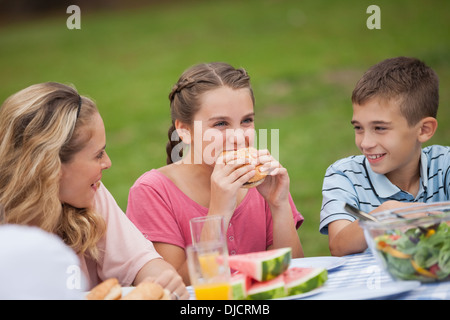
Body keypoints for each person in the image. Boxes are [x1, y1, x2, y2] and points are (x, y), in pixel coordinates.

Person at [0, 82, 188, 299]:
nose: (107, 163)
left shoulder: (91, 194)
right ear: (50, 166)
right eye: (98, 155)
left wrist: (162, 280)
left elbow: (142, 264)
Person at [127, 62, 304, 284]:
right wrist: (218, 213)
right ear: (184, 131)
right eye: (221, 124)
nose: (239, 137)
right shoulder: (152, 191)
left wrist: (279, 206)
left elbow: (292, 274)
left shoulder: (263, 182)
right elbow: (174, 290)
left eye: (246, 121)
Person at [319, 57, 450, 256]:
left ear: (424, 129)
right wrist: (386, 212)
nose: (365, 143)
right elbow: (338, 245)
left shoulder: (445, 164)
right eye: (358, 128)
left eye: (380, 128)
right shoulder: (344, 175)